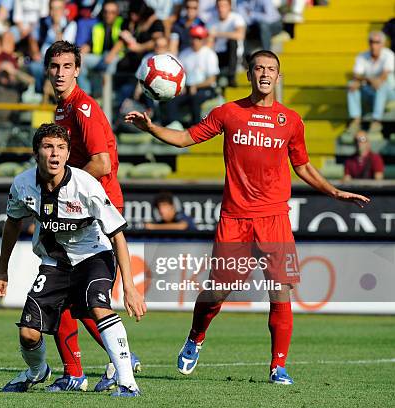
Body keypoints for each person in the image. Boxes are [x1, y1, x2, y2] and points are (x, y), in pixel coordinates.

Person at [125, 50, 370, 385]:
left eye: (271, 69)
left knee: (281, 291)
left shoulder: (291, 121)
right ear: (250, 74)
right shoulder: (228, 113)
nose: (265, 74)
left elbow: (303, 166)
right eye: (259, 68)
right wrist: (151, 127)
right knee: (218, 291)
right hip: (235, 218)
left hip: (274, 219)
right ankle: (196, 336)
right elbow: (184, 138)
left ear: (278, 77)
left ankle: (278, 366)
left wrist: (336, 192)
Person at [0, 123, 146, 397]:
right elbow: (13, 224)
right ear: (36, 152)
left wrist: (130, 287)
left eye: (61, 148)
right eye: (48, 147)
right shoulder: (23, 184)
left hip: (93, 256)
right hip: (55, 262)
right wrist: (1, 269)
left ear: (67, 154)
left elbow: (117, 235)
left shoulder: (86, 186)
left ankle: (127, 382)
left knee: (98, 308)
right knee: (28, 333)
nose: (55, 154)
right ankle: (37, 372)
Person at [44, 40, 141, 392]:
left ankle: (119, 362)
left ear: (77, 70)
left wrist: (64, 186)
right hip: (75, 210)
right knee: (66, 296)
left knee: (85, 299)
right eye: (54, 66)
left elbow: (101, 162)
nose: (59, 72)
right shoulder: (60, 111)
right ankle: (77, 373)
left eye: (66, 66)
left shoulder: (83, 107)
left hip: (98, 210)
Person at [164, 24, 219, 126]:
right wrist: (182, 86)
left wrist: (195, 86)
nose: (195, 41)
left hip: (206, 89)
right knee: (171, 98)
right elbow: (180, 75)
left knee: (195, 98)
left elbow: (212, 79)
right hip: (188, 88)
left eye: (198, 38)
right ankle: (173, 125)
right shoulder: (184, 54)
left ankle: (196, 127)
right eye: (193, 38)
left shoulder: (209, 54)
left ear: (203, 40)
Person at [347, 31, 395, 133]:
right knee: (352, 85)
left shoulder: (389, 55)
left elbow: (383, 77)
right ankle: (356, 119)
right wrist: (367, 80)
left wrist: (363, 80)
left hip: (389, 94)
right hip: (371, 91)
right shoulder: (362, 56)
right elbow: (356, 75)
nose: (374, 45)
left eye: (377, 42)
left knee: (382, 86)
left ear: (383, 43)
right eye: (372, 42)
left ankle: (377, 120)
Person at [205, 0, 246, 87]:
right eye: (219, 6)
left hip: (233, 55)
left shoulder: (236, 18)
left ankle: (231, 78)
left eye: (224, 6)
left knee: (232, 42)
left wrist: (217, 34)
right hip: (217, 54)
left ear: (229, 7)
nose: (221, 9)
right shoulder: (211, 20)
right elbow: (209, 42)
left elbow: (240, 35)